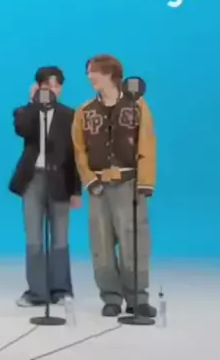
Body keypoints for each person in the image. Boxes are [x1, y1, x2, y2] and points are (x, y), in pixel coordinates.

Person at [72, 55, 157, 318]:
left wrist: (145, 181)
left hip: (129, 183)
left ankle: (137, 297)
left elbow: (147, 143)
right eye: (88, 72)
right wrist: (89, 180)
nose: (90, 77)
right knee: (101, 244)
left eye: (94, 71)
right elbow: (79, 149)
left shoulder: (137, 105)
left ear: (109, 73)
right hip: (99, 187)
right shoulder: (84, 111)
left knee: (134, 242)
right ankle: (110, 297)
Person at [9, 66, 82, 307]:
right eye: (47, 86)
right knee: (34, 238)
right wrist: (33, 104)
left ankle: (61, 289)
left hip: (60, 181)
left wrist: (76, 191)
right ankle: (37, 292)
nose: (52, 90)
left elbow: (75, 156)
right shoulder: (26, 112)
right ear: (38, 87)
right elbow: (22, 130)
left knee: (60, 237)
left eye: (57, 86)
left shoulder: (70, 115)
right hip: (33, 180)